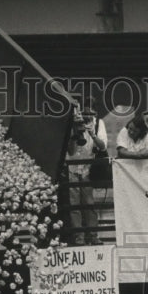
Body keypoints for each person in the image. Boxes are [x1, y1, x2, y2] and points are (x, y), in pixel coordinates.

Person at [66, 104, 108, 243]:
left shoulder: (98, 123)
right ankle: (79, 238)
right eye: (85, 113)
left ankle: (93, 236)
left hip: (87, 168)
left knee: (89, 204)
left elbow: (102, 147)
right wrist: (75, 133)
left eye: (91, 113)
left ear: (95, 113)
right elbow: (71, 152)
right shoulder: (73, 122)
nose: (88, 116)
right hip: (72, 168)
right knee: (74, 205)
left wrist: (92, 134)